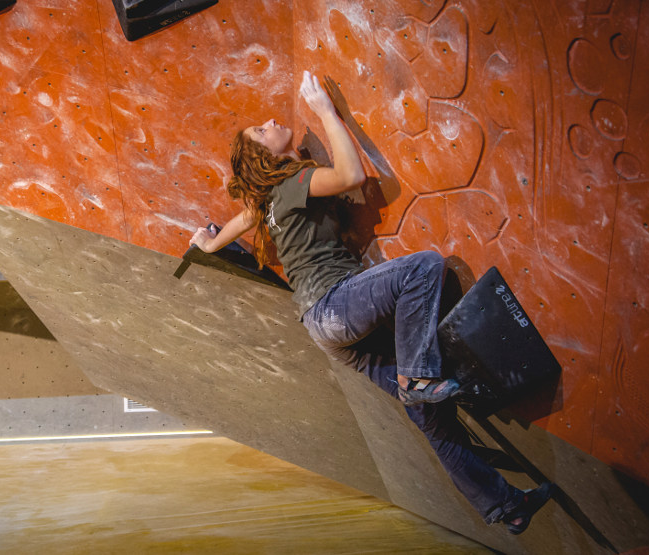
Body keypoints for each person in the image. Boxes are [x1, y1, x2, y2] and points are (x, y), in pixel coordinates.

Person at [190, 70, 553, 534]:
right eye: (262, 131)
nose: (269, 122)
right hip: (335, 306)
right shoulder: (290, 182)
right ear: (265, 155)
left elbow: (238, 224)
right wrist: (325, 109)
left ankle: (506, 508)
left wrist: (207, 244)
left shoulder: (263, 203)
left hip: (328, 329)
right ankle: (416, 378)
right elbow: (351, 175)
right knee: (424, 267)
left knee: (434, 421)